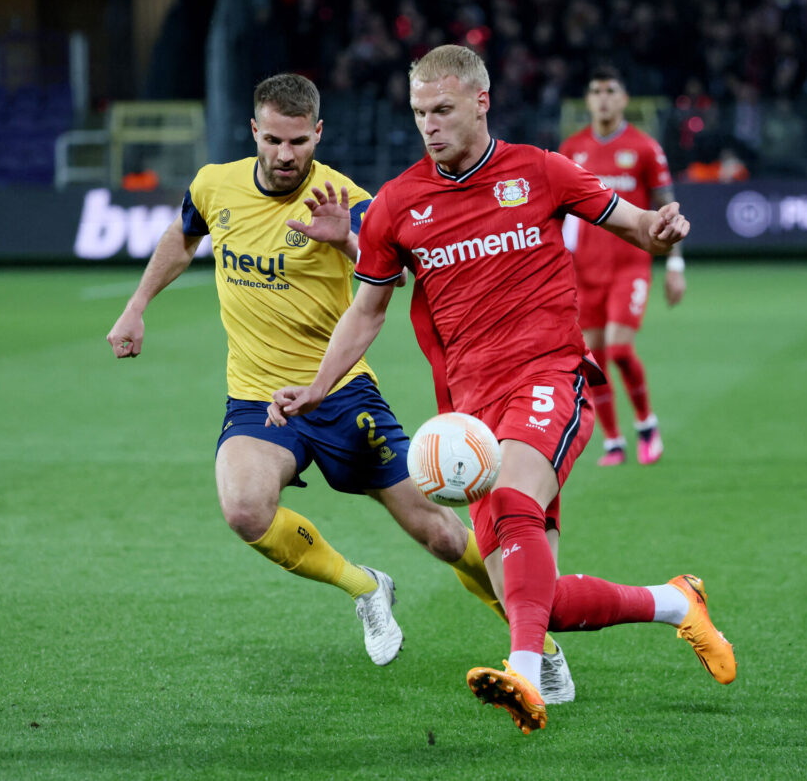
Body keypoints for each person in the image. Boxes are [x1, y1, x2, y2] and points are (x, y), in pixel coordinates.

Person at [269, 47, 736, 734]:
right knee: (531, 589)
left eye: (443, 110)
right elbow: (368, 308)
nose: (429, 125)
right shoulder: (399, 203)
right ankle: (674, 602)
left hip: (550, 375)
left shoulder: (540, 170)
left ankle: (522, 675)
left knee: (515, 503)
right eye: (420, 112)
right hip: (471, 411)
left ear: (482, 102)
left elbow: (634, 223)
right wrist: (316, 386)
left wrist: (660, 231)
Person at [106, 73, 571, 676]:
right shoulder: (212, 185)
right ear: (254, 131)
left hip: (342, 393)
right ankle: (365, 588)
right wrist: (136, 306)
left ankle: (541, 648)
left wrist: (347, 240)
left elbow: (397, 277)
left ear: (318, 134)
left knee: (441, 533)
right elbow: (183, 235)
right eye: (272, 139)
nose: (284, 155)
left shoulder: (348, 199)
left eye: (298, 141)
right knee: (244, 509)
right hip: (259, 397)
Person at [559, 66, 686, 467]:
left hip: (629, 265)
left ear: (624, 98)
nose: (602, 98)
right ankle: (613, 441)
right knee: (593, 359)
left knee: (619, 349)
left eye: (611, 90)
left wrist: (675, 265)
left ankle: (646, 423)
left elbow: (667, 208)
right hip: (584, 271)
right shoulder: (571, 150)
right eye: (595, 91)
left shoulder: (645, 147)